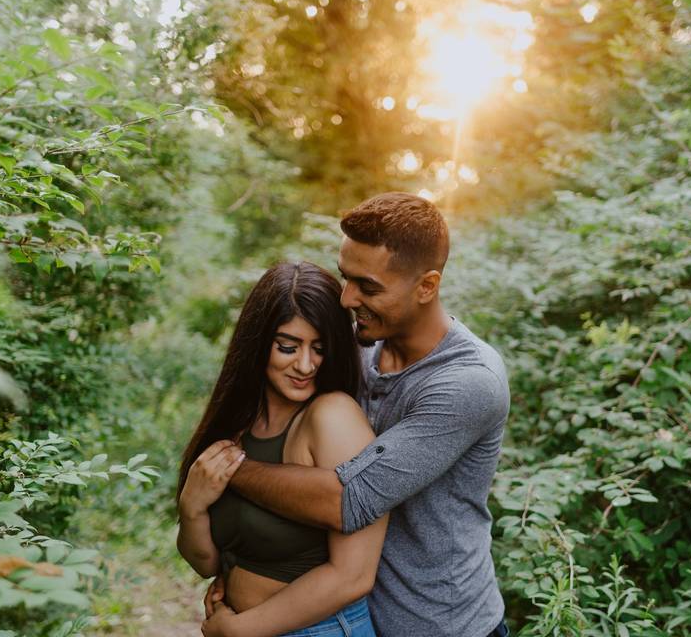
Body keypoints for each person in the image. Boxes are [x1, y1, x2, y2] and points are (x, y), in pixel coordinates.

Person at [205, 192, 512, 637]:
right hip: (348, 619)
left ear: (427, 286)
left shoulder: (467, 383)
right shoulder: (355, 349)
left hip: (439, 625)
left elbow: (344, 500)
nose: (347, 299)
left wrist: (225, 468)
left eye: (368, 287)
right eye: (345, 278)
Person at [177, 261, 388, 637]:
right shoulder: (240, 423)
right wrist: (191, 508)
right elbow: (207, 564)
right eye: (287, 347)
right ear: (259, 343)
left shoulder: (332, 417)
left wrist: (238, 631)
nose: (305, 365)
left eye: (319, 349)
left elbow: (353, 576)